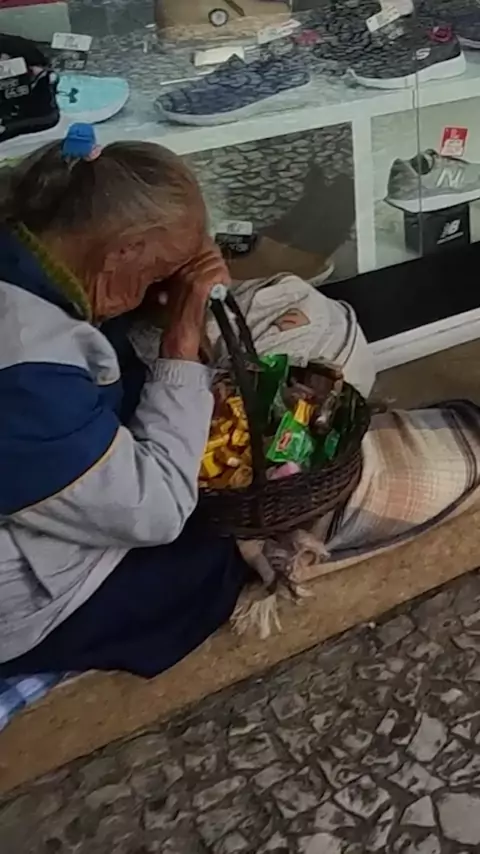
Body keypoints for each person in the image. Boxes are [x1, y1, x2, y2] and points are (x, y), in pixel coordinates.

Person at [0, 123, 374, 679]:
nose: (166, 284)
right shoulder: (27, 374)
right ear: (124, 250)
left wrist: (145, 304)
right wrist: (179, 340)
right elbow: (155, 513)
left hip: (46, 474)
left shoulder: (31, 253)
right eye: (162, 267)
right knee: (214, 552)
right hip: (19, 594)